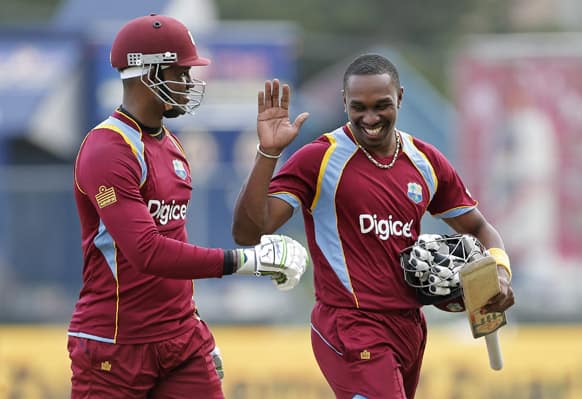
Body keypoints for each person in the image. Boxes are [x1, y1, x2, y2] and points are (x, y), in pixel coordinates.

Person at [232, 54, 515, 399]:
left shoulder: (425, 160)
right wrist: (268, 152)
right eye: (358, 107)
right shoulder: (318, 159)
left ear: (400, 98)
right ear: (344, 103)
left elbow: (480, 227)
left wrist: (499, 272)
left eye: (381, 105)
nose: (370, 118)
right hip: (351, 325)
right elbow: (248, 233)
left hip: (409, 326)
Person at [67, 14, 309, 399]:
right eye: (180, 72)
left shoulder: (171, 144)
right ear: (148, 73)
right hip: (115, 345)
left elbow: (174, 240)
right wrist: (246, 262)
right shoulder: (107, 149)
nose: (189, 83)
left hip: (180, 340)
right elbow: (147, 252)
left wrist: (196, 326)